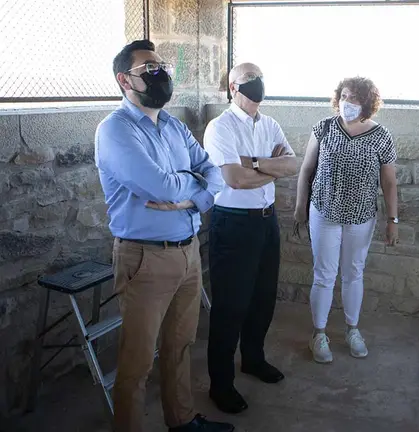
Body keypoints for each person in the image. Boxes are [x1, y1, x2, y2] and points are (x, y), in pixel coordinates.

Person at [95, 40, 233, 432]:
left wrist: (189, 199)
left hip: (188, 253)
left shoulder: (172, 125)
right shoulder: (115, 131)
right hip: (145, 260)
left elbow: (216, 174)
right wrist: (193, 185)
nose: (162, 74)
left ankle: (182, 420)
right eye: (149, 69)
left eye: (162, 66)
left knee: (179, 346)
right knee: (137, 361)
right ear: (125, 80)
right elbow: (159, 186)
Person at [203, 63, 298, 414]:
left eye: (260, 77)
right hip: (233, 224)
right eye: (248, 79)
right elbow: (234, 180)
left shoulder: (270, 124)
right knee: (230, 306)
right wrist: (266, 170)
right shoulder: (220, 127)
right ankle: (221, 384)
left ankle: (253, 359)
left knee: (263, 298)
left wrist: (254, 164)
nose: (256, 85)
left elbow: (292, 164)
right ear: (232, 87)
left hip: (266, 221)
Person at [293, 77, 399, 364]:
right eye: (344, 96)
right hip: (324, 211)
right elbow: (306, 169)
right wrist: (300, 205)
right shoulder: (324, 128)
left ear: (366, 103)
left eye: (354, 98)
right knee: (324, 274)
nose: (347, 102)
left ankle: (352, 330)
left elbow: (389, 182)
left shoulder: (381, 136)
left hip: (361, 216)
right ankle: (319, 334)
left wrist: (393, 219)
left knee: (353, 273)